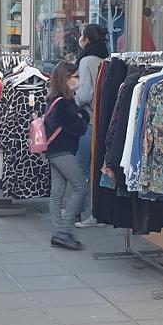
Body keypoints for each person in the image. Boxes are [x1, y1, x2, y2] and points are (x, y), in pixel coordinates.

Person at [45, 61, 89, 250]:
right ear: (65, 79)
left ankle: (59, 233)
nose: (78, 80)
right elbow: (78, 128)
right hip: (63, 151)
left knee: (57, 193)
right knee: (80, 187)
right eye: (75, 77)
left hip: (53, 151)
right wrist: (84, 117)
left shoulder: (54, 100)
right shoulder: (64, 103)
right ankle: (64, 230)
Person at [73, 23, 109, 228]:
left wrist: (72, 99)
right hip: (104, 119)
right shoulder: (104, 57)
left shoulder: (86, 60)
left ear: (86, 39)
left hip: (90, 120)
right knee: (97, 167)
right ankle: (93, 211)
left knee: (83, 168)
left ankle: (87, 211)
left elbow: (85, 93)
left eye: (81, 36)